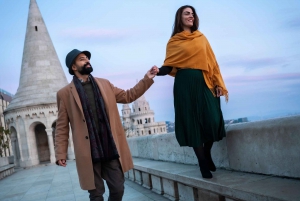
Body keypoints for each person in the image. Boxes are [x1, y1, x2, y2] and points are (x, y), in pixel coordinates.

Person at [55, 49, 157, 201]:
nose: (87, 61)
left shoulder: (104, 84)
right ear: (74, 67)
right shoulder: (64, 93)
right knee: (96, 194)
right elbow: (62, 127)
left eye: (87, 58)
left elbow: (128, 95)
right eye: (82, 59)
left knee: (118, 188)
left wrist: (146, 79)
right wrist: (61, 153)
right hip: (88, 151)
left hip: (109, 146)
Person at [153, 5, 228, 179]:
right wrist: (158, 71)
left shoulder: (201, 38)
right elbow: (169, 65)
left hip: (205, 82)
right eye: (187, 13)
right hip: (184, 84)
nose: (191, 16)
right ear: (180, 17)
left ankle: (207, 153)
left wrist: (217, 83)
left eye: (193, 14)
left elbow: (213, 62)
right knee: (192, 122)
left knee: (213, 119)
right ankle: (202, 163)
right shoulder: (174, 41)